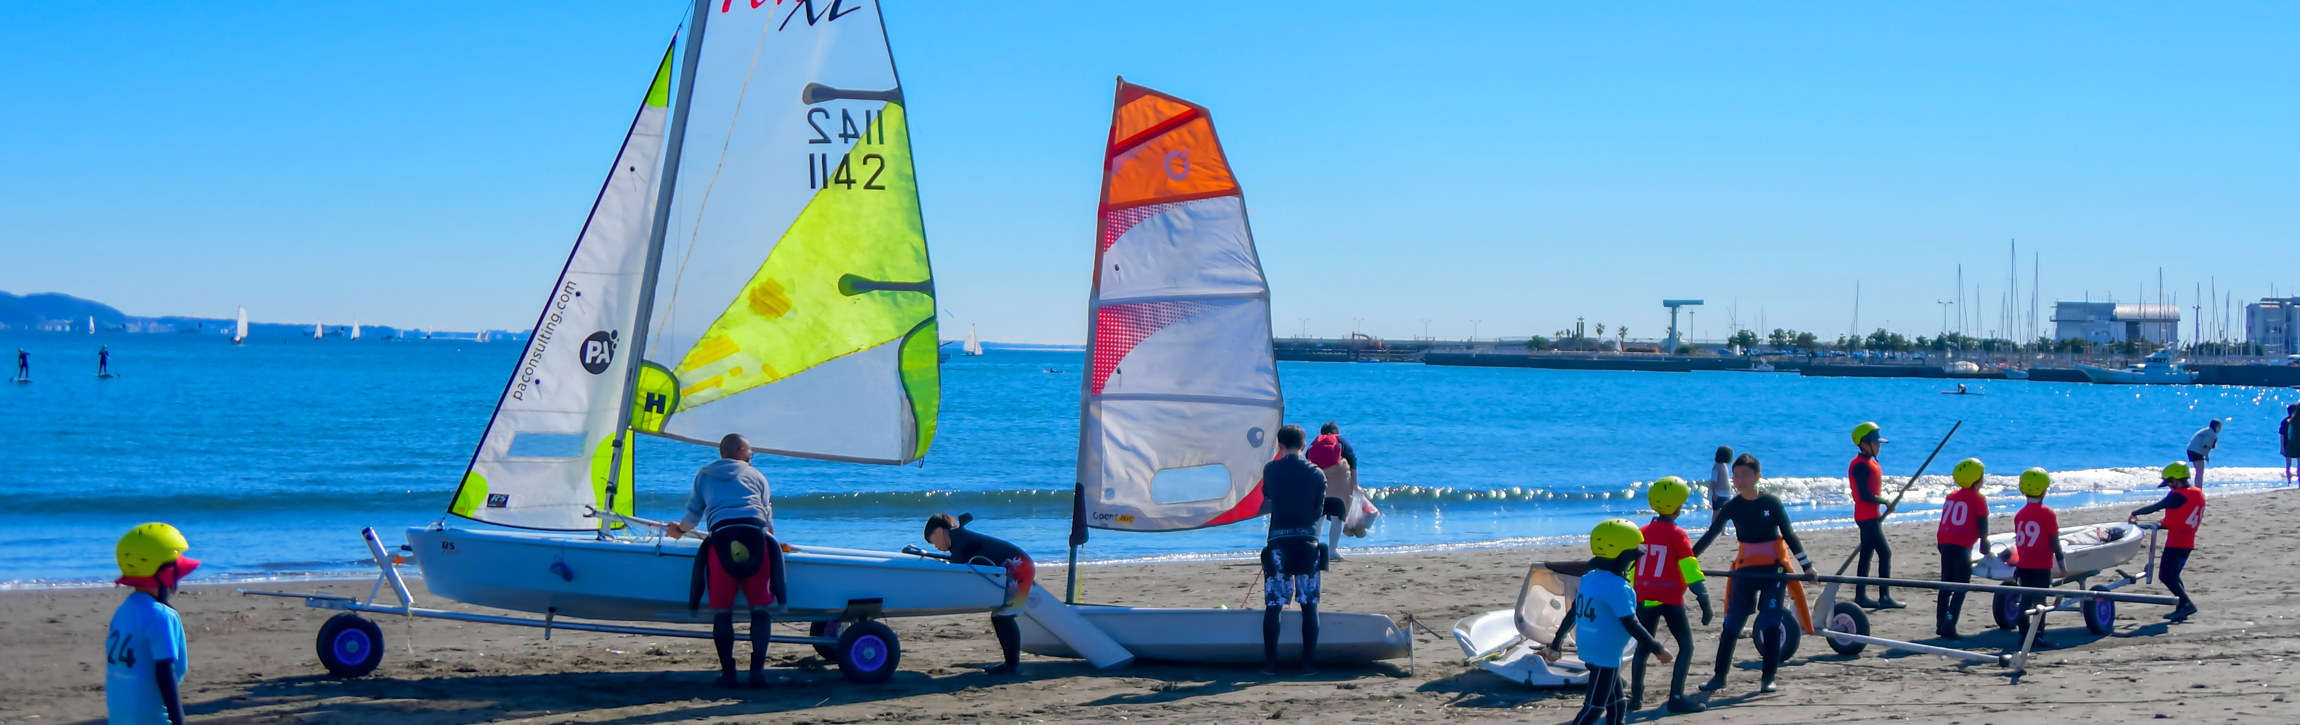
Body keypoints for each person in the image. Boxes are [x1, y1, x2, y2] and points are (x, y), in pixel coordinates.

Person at [1693, 453, 1814, 694]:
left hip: (1774, 570)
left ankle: (1768, 677)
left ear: (1758, 476)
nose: (1739, 480)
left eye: (1745, 475)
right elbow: (1711, 533)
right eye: (1735, 475)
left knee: (1770, 622)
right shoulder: (1732, 506)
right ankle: (1719, 677)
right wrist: (1687, 558)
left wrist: (1807, 566)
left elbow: (1789, 534)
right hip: (1746, 570)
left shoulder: (1771, 503)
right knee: (1732, 623)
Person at [665, 434, 776, 689]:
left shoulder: (705, 474)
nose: (752, 456)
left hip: (721, 543)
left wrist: (679, 530)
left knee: (723, 613)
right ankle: (757, 672)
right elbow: (767, 519)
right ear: (740, 451)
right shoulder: (757, 476)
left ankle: (729, 674)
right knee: (759, 610)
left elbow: (693, 514)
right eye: (750, 451)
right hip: (756, 541)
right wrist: (775, 546)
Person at [1544, 519, 1673, 725]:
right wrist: (1658, 649)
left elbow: (1573, 613)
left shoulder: (1590, 577)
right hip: (1606, 654)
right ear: (1624, 558)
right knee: (1593, 709)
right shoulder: (1617, 587)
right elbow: (1632, 624)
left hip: (1589, 646)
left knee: (1618, 704)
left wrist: (1557, 642)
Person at [1629, 477, 1711, 714]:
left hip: (1645, 597)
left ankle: (1636, 698)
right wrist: (1703, 597)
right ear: (1677, 506)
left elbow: (1633, 567)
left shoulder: (1641, 532)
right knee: (1686, 646)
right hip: (1671, 598)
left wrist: (1634, 596)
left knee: (1643, 648)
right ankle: (1676, 696)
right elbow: (1690, 567)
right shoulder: (1678, 534)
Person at [108, 523, 200, 725]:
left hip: (120, 711)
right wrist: (178, 721)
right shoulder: (161, 615)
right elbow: (164, 672)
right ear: (165, 572)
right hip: (150, 714)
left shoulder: (124, 610)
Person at [924, 513, 1036, 674]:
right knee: (998, 617)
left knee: (1004, 617)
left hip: (1020, 567)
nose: (934, 545)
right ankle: (1010, 664)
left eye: (932, 539)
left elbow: (955, 568)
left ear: (941, 531)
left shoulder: (959, 541)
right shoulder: (959, 538)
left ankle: (1012, 665)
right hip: (1018, 565)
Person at [1260, 424, 1327, 676]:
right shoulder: (1317, 473)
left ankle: (1270, 665)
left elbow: (1268, 495)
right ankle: (1308, 665)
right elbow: (1317, 509)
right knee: (1309, 606)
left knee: (1274, 605)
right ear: (1304, 444)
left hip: (1278, 543)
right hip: (1307, 544)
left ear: (1279, 445)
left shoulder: (1271, 469)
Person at [2128, 461, 2204, 621]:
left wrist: (2136, 512)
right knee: (2173, 575)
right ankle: (2182, 606)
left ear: (2177, 480)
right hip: (2186, 541)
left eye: (2170, 483)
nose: (2169, 487)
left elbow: (2159, 505)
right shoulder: (2196, 493)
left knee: (2166, 576)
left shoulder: (2179, 496)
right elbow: (2181, 515)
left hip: (2177, 542)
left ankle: (2187, 604)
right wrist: (2161, 523)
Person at [1846, 422, 1903, 609]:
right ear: (1864, 443)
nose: (1879, 446)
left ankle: (1860, 595)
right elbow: (1864, 495)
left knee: (1866, 554)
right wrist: (1885, 501)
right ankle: (1884, 597)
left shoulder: (1869, 463)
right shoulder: (1860, 466)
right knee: (1885, 553)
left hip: (1869, 515)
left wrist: (1881, 502)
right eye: (1875, 442)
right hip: (1866, 517)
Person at [2009, 468, 2066, 647]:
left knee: (2025, 600)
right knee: (2040, 601)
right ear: (2043, 490)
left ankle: (2023, 636)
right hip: (2041, 565)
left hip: (2024, 564)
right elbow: (2055, 542)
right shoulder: (2047, 513)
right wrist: (2062, 565)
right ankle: (2038, 635)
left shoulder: (2020, 515)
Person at [1934, 458, 1990, 639]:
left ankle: (1940, 622)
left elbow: (1945, 520)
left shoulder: (1951, 496)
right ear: (1976, 479)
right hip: (1961, 545)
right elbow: (1982, 523)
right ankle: (1950, 624)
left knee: (1946, 584)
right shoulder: (1978, 498)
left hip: (1944, 540)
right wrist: (1984, 542)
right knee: (1961, 584)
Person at [1307, 422, 1358, 560]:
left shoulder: (1316, 442)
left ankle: (1314, 548)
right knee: (1338, 517)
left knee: (1318, 518)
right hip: (1339, 485)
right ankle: (1332, 550)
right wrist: (1355, 484)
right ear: (1337, 432)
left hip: (1319, 483)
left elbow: (1307, 460)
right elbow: (1353, 459)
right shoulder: (1340, 440)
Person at [2186, 419, 2220, 486]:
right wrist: (2206, 454)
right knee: (2200, 471)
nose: (2220, 428)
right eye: (2219, 426)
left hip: (2194, 450)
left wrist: (2206, 455)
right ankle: (2198, 488)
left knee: (2200, 471)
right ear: (2215, 426)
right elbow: (2205, 445)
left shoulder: (2212, 433)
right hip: (2195, 450)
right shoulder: (2210, 433)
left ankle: (2198, 487)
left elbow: (2209, 447)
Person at [1707, 446, 1734, 512]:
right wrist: (1714, 494)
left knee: (1725, 511)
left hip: (1725, 493)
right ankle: (1715, 522)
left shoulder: (1724, 466)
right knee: (1717, 511)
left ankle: (1721, 522)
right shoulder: (1716, 467)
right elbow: (1713, 481)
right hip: (1718, 493)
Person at [2280, 405, 2298, 483]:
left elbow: (2282, 435)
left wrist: (2282, 448)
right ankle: (2297, 482)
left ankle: (2289, 482)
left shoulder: (2285, 421)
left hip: (2287, 445)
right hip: (2297, 445)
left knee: (2288, 465)